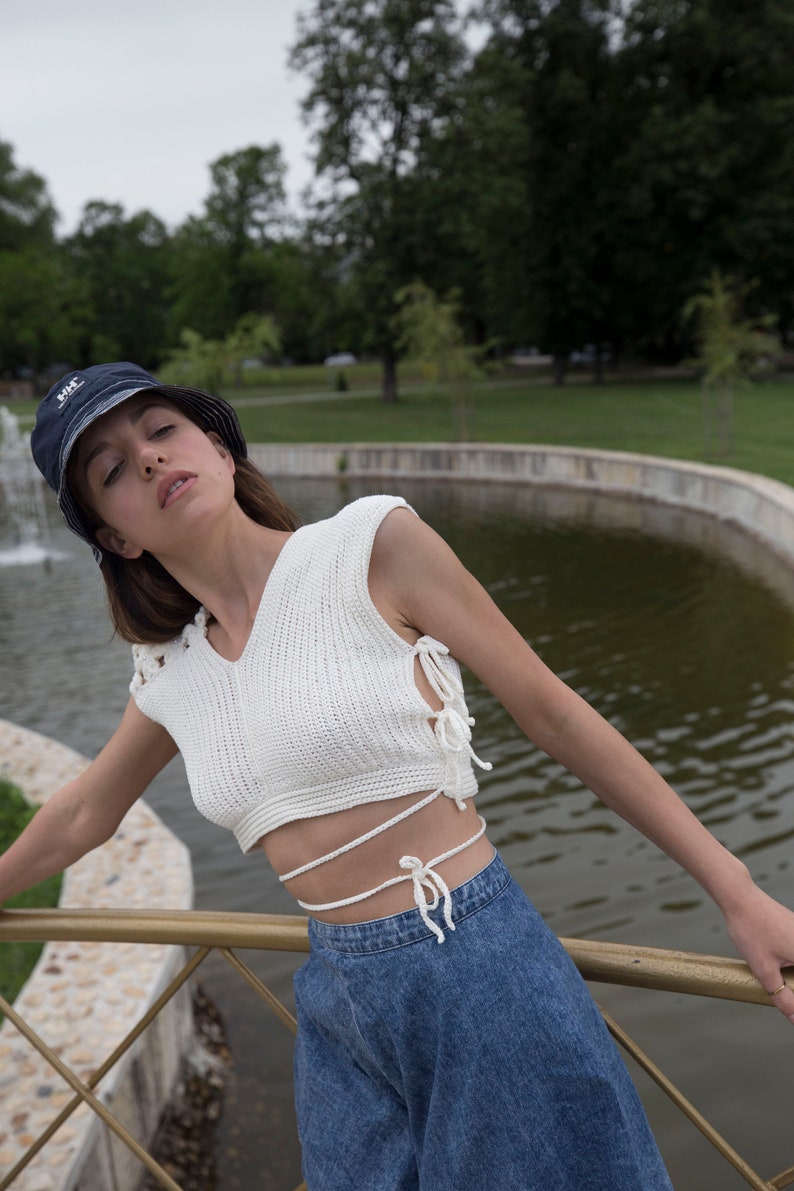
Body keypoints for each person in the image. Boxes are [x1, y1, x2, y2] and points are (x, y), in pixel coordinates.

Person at [3, 360, 794, 1190]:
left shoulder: (369, 547)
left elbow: (553, 715)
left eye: (161, 431)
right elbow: (86, 809)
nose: (151, 460)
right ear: (116, 538)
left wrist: (734, 888)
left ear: (221, 449)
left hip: (475, 965)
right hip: (338, 1002)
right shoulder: (169, 673)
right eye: (113, 470)